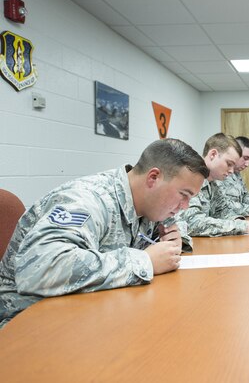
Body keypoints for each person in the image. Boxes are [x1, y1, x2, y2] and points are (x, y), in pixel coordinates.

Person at [0, 138, 209, 328]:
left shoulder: (150, 202)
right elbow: (39, 270)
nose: (184, 206)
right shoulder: (87, 200)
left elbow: (175, 224)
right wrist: (144, 261)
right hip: (27, 321)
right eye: (184, 195)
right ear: (153, 177)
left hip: (89, 311)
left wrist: (175, 238)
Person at [179, 133, 249, 238]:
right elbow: (193, 223)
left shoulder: (213, 183)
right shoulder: (191, 179)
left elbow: (223, 210)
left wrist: (241, 222)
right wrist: (244, 226)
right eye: (229, 164)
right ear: (213, 155)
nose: (231, 171)